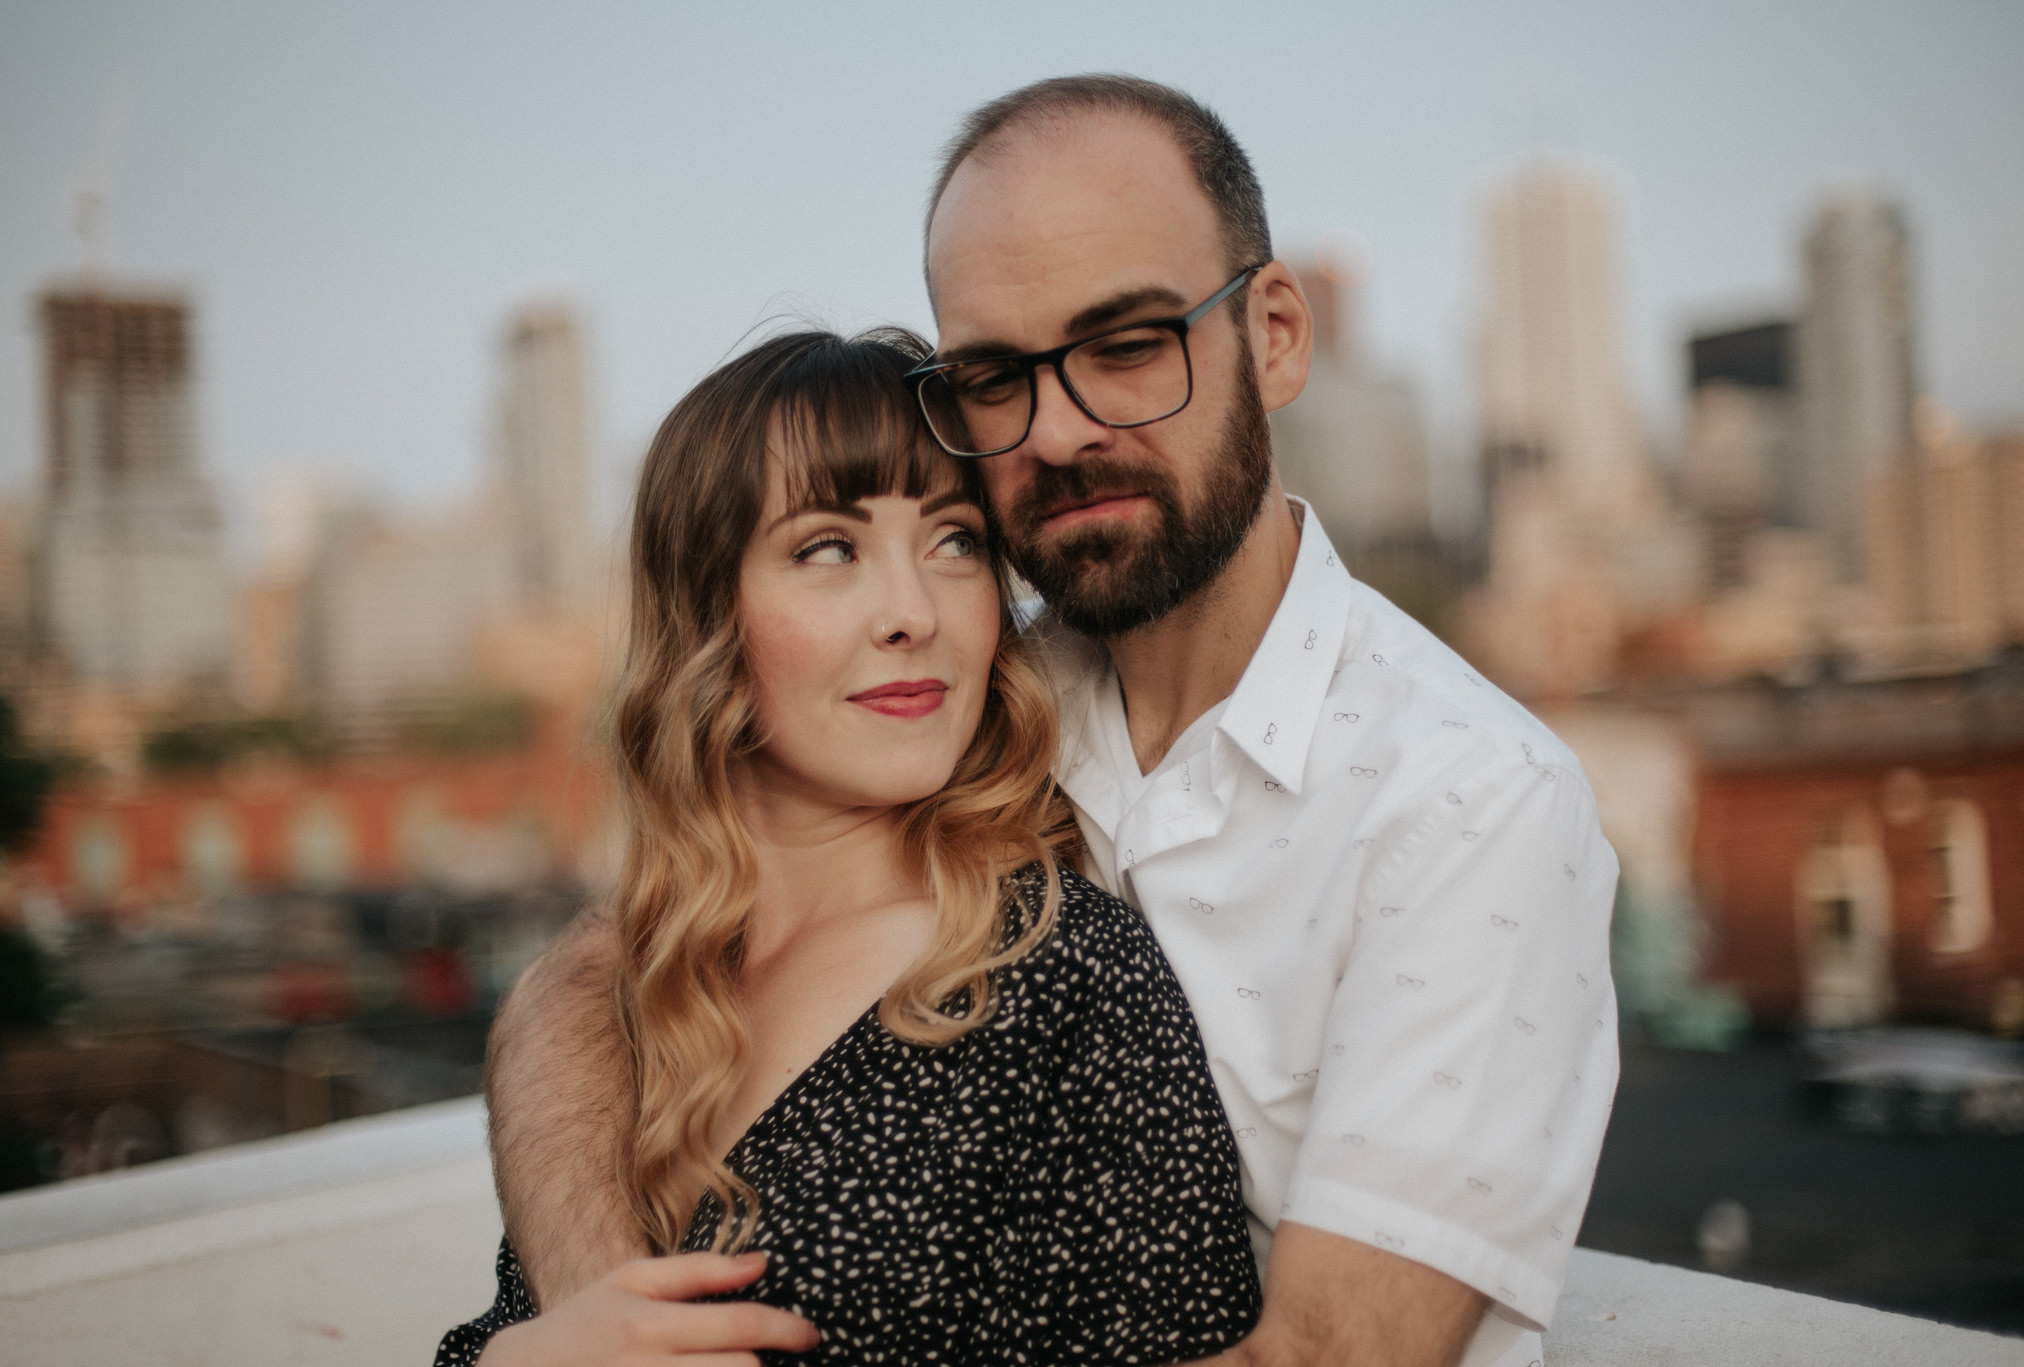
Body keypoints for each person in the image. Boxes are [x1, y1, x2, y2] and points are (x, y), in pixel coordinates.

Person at [488, 76, 1620, 1367]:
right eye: (994, 374)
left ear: (1276, 335)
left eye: (1127, 345)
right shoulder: (965, 695)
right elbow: (603, 969)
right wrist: (602, 1303)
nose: (1064, 429)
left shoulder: (1469, 801)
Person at [438, 328, 1264, 1366]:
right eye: (827, 548)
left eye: (954, 540)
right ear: (710, 614)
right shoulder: (635, 1002)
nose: (911, 612)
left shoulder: (1070, 984)